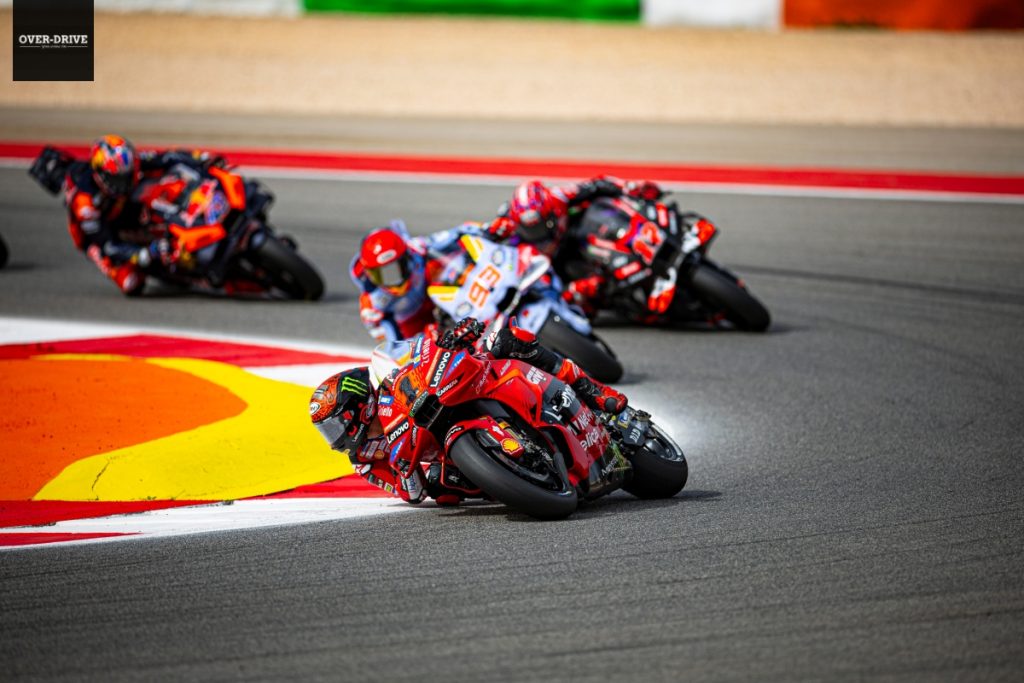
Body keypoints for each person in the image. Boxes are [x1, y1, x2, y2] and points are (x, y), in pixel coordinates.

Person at [310, 318, 627, 506]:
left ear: (358, 409)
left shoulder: (387, 384)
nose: (334, 439)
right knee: (445, 489)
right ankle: (522, 476)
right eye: (327, 431)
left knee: (507, 339)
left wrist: (451, 339)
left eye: (335, 426)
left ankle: (595, 392)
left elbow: (417, 351)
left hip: (456, 388)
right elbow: (411, 493)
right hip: (448, 454)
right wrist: (415, 474)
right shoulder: (364, 461)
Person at [63, 134, 222, 295]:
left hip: (123, 206)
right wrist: (146, 253)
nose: (125, 183)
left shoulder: (128, 163)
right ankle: (174, 272)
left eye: (129, 176)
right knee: (131, 283)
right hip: (99, 237)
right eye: (119, 180)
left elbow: (168, 157)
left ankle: (192, 216)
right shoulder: (86, 205)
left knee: (161, 180)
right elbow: (107, 246)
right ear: (101, 176)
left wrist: (200, 158)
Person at [349, 219, 490, 343]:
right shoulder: (371, 306)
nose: (392, 281)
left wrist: (490, 229)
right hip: (414, 329)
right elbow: (393, 347)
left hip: (439, 302)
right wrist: (422, 342)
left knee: (449, 265)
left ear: (407, 257)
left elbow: (458, 232)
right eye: (380, 275)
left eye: (397, 268)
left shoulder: (417, 248)